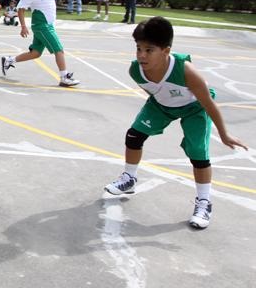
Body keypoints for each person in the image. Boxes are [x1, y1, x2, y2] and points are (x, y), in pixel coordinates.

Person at [103, 17, 247, 229]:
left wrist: (224, 134)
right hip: (162, 105)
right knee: (134, 135)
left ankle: (204, 202)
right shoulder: (136, 70)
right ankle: (129, 178)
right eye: (138, 48)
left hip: (194, 108)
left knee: (198, 152)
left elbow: (208, 103)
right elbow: (155, 92)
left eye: (149, 50)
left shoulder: (186, 71)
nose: (141, 55)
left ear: (166, 50)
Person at [1, 0, 80, 87]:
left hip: (48, 25)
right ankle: (64, 77)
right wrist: (23, 27)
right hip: (42, 26)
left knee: (35, 53)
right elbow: (21, 9)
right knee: (59, 50)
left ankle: (9, 60)